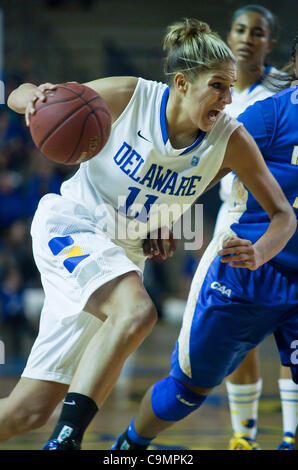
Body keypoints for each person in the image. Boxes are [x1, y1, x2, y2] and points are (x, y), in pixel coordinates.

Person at [3, 18, 295, 451]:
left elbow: (283, 216)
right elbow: (21, 95)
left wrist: (258, 251)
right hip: (72, 224)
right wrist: (33, 99)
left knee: (30, 410)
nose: (227, 99)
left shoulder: (230, 138)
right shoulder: (130, 95)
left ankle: (57, 430)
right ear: (181, 82)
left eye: (231, 87)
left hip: (122, 252)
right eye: (217, 86)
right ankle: (65, 442)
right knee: (138, 312)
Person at [112, 33, 298, 451]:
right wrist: (168, 216)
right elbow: (205, 167)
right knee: (186, 391)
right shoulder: (271, 116)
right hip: (250, 270)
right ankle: (130, 445)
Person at [212, 5, 298, 451]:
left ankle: (289, 435)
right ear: (228, 35)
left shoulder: (283, 92)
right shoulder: (216, 87)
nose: (247, 38)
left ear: (270, 42)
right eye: (240, 29)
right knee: (237, 335)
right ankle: (242, 436)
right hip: (233, 219)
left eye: (257, 32)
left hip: (278, 215)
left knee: (292, 332)